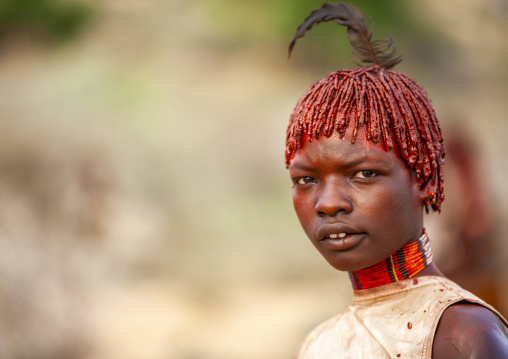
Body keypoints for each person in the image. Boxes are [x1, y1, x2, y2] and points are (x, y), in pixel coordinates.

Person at [285, 2, 508, 358]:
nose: (328, 203)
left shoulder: (460, 334)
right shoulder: (317, 345)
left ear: (426, 179)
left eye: (364, 174)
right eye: (305, 180)